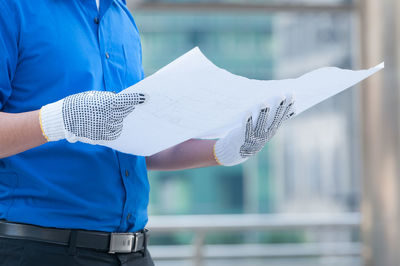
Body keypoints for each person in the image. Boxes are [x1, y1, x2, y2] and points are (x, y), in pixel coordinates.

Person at [0, 0, 294, 265]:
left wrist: (223, 150)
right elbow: (68, 120)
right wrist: (57, 119)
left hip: (134, 253)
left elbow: (136, 142)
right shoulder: (13, 7)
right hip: (39, 249)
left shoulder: (121, 17)